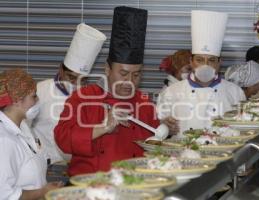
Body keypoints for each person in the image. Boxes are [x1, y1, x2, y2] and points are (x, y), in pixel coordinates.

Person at [54, 6, 160, 176]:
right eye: (123, 73)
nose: (129, 82)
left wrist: (166, 130)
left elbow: (154, 145)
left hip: (134, 186)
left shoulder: (145, 103)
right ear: (107, 69)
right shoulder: (82, 98)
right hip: (90, 186)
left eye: (136, 75)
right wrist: (103, 127)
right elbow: (63, 139)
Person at [156, 10, 246, 137]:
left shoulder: (235, 92)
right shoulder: (171, 92)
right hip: (183, 155)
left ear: (220, 63)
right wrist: (165, 128)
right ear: (191, 62)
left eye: (211, 60)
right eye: (199, 60)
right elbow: (159, 132)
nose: (205, 65)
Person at [31, 23, 106, 164]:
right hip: (46, 164)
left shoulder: (89, 98)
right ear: (61, 70)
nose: (75, 84)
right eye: (71, 77)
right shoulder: (39, 91)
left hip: (77, 164)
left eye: (82, 80)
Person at [0, 69, 63, 200]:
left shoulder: (23, 127)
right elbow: (5, 195)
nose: (37, 100)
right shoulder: (4, 140)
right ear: (17, 100)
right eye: (34, 96)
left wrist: (46, 188)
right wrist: (42, 192)